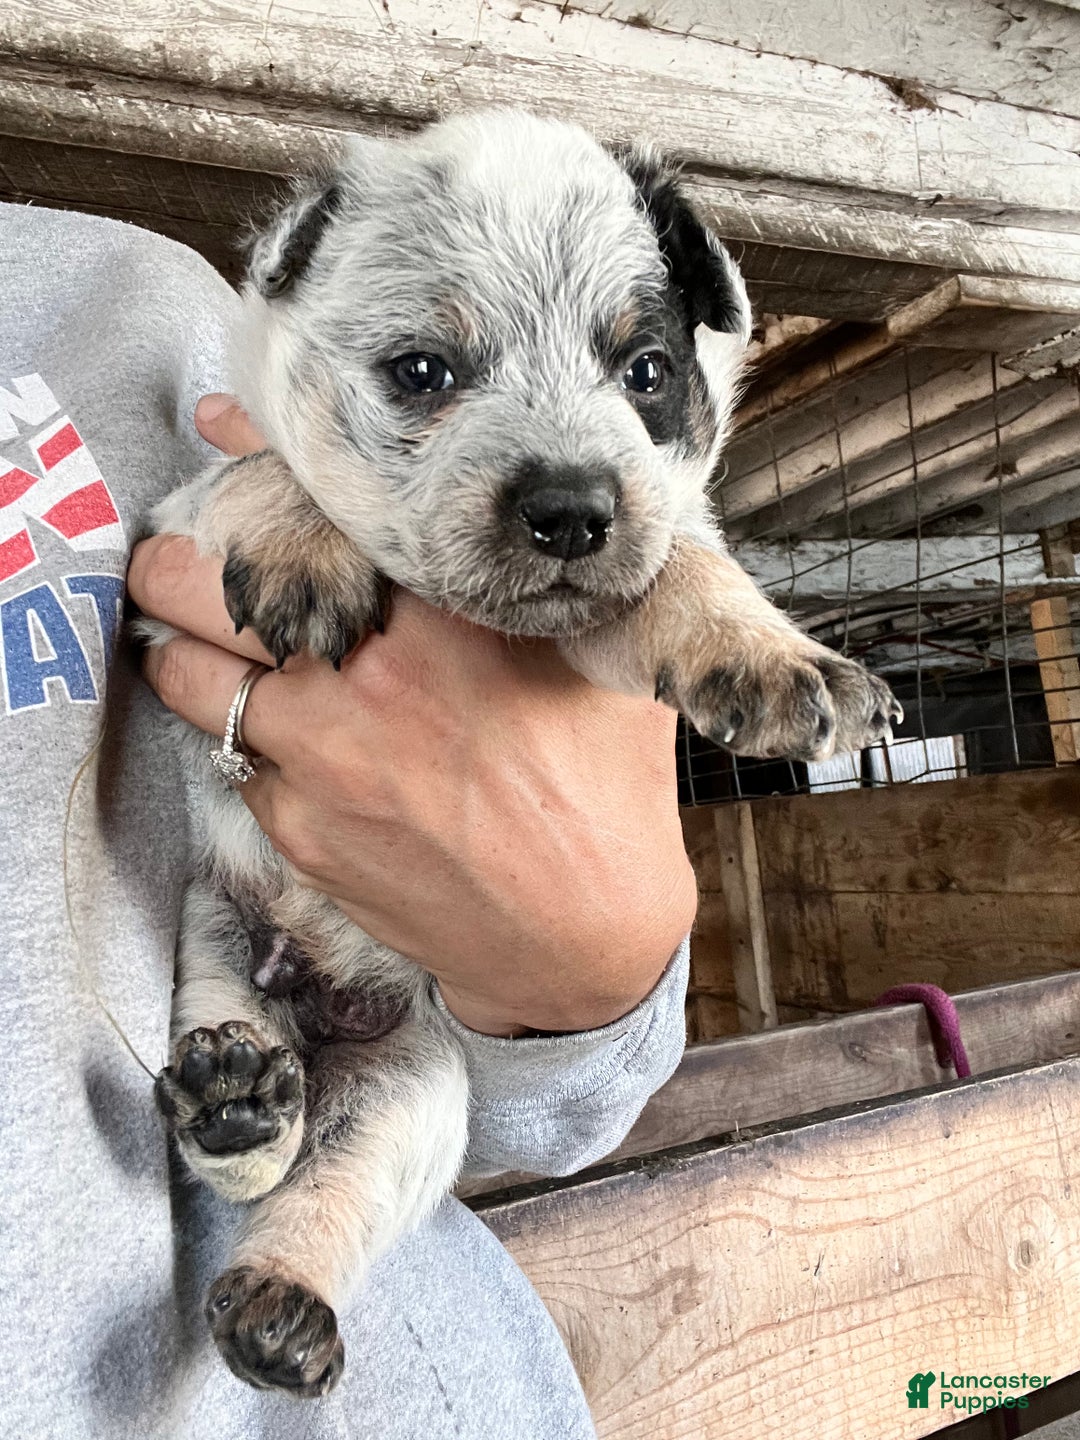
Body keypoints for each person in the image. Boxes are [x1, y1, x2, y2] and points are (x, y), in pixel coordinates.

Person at [0, 200, 696, 1439]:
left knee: (401, 1100)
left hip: (417, 1278)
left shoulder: (143, 315)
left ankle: (287, 1216)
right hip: (232, 995)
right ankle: (257, 1165)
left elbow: (556, 1095)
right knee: (230, 1028)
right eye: (428, 372)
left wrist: (598, 966)